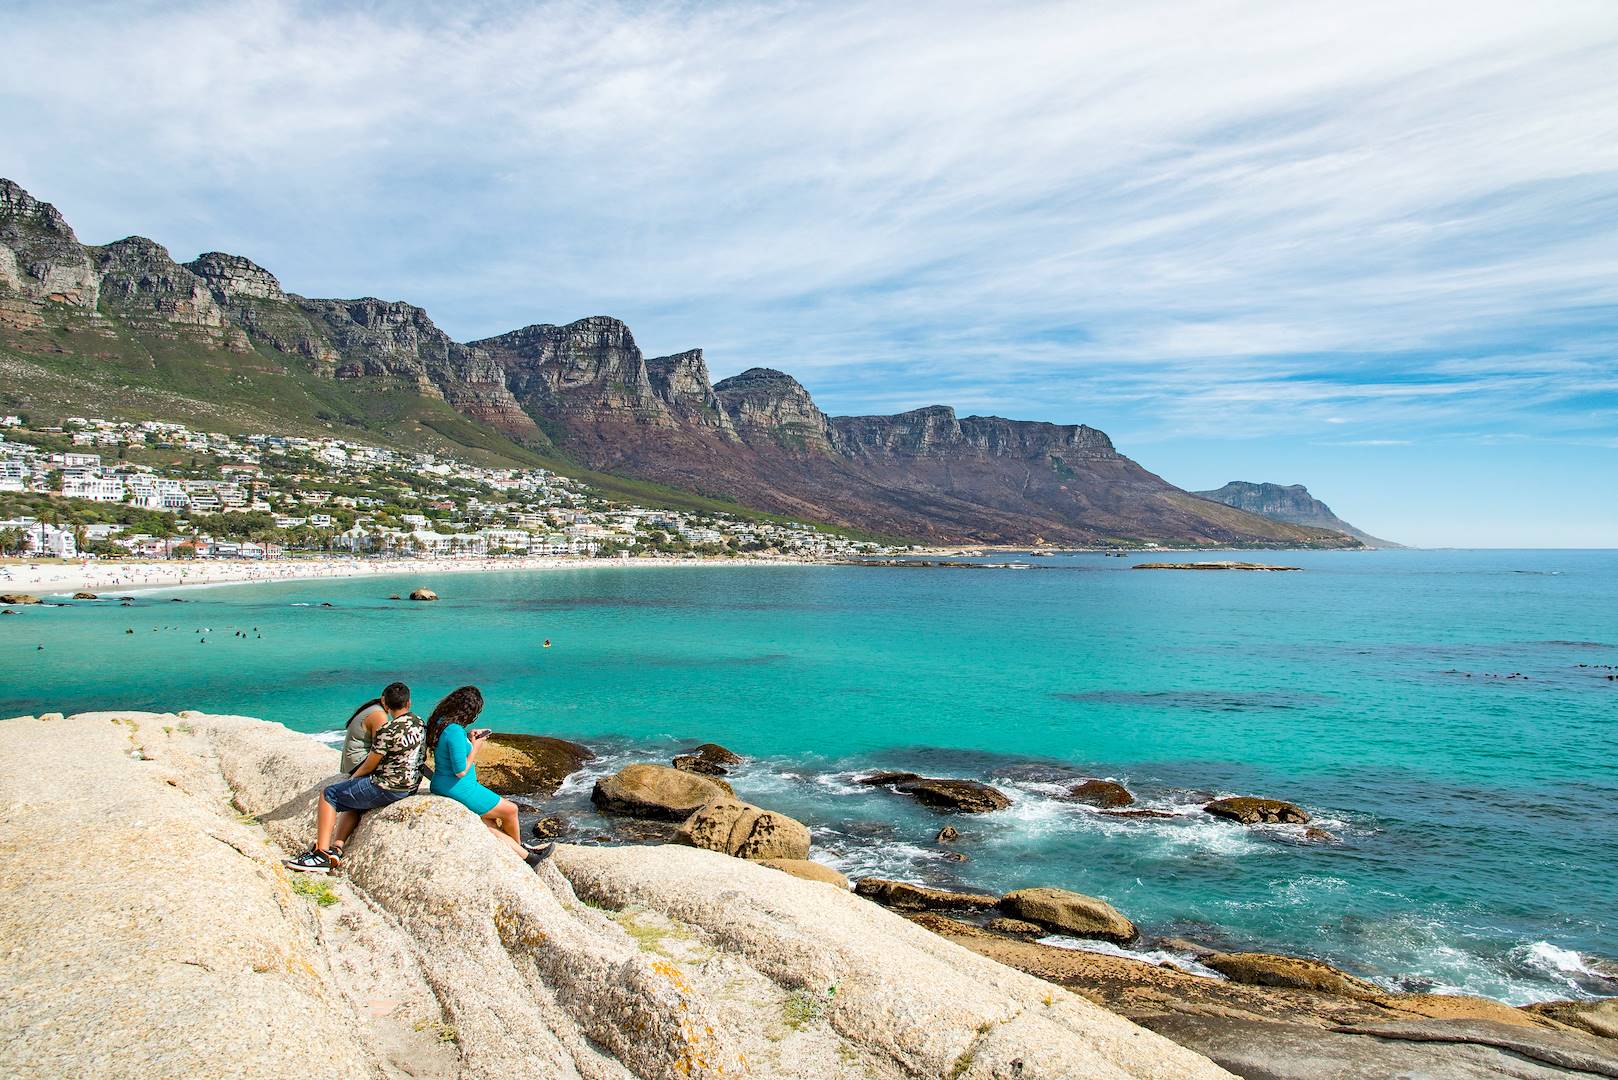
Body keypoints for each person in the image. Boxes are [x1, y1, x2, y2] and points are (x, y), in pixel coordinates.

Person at [285, 697, 426, 875]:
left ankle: (321, 854)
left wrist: (353, 780)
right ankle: (336, 847)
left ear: (386, 703)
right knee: (354, 800)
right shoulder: (418, 722)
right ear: (409, 703)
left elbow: (370, 764)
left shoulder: (386, 726)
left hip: (387, 785)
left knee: (330, 794)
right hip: (410, 785)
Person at [425, 686, 553, 870]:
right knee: (511, 810)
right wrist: (476, 747)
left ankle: (524, 855)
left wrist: (468, 738)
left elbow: (450, 750)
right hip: (459, 786)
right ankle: (522, 853)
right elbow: (460, 770)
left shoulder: (441, 723)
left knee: (489, 822)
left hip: (444, 784)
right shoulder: (453, 730)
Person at [340, 682, 411, 775]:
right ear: (408, 703)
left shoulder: (374, 707)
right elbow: (380, 747)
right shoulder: (379, 715)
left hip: (353, 761)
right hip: (359, 764)